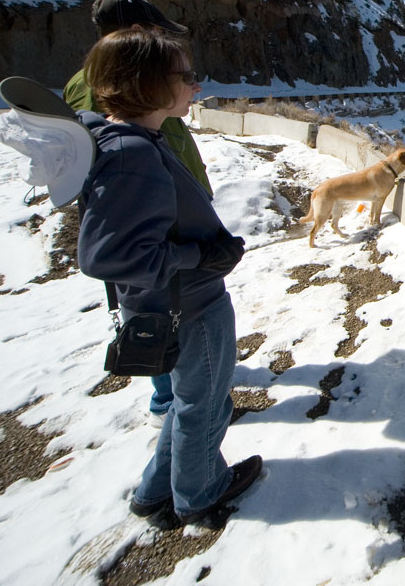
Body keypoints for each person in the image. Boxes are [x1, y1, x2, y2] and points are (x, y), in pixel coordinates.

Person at [76, 28, 260, 526]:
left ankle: (156, 491)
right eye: (186, 76)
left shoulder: (131, 141)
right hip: (189, 307)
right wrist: (200, 257)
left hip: (179, 303)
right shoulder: (130, 155)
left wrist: (201, 252)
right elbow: (107, 256)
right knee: (205, 406)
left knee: (188, 402)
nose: (195, 87)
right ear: (149, 82)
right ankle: (200, 493)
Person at [65, 0, 212, 425]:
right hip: (154, 214)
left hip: (165, 204)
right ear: (134, 32)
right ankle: (172, 404)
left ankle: (179, 396)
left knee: (164, 309)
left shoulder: (106, 77)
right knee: (161, 308)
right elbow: (117, 165)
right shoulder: (115, 88)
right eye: (155, 33)